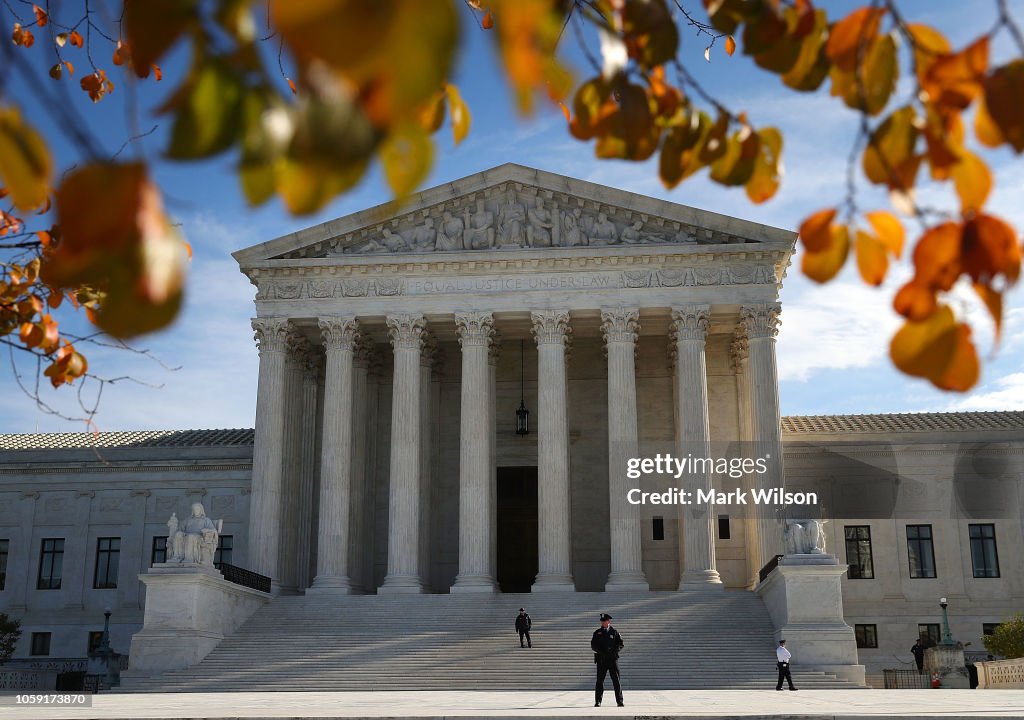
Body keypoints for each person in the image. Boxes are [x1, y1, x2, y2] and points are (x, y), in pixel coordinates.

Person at [591, 613, 624, 707]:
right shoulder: (597, 633)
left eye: (604, 621)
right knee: (599, 681)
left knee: (616, 681)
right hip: (602, 660)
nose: (603, 623)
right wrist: (601, 652)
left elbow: (620, 644)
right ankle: (598, 701)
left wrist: (614, 652)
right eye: (602, 621)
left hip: (612, 660)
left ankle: (619, 701)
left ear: (609, 621)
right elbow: (593, 645)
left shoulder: (615, 632)